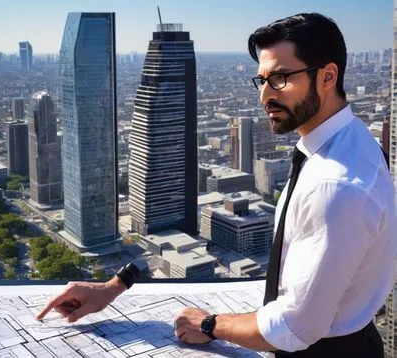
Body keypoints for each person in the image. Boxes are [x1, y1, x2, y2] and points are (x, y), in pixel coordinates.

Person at [36, 13, 395, 357]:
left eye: (281, 78)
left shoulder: (334, 184)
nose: (264, 96)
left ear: (328, 76)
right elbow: (296, 278)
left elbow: (293, 327)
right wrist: (117, 287)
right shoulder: (349, 143)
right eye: (262, 79)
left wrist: (209, 325)